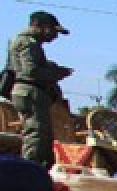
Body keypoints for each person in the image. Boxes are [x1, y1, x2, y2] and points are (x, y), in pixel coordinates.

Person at [7, 11, 72, 168]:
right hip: (30, 91)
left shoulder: (31, 43)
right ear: (40, 26)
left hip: (32, 92)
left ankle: (38, 171)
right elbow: (31, 71)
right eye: (52, 30)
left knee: (43, 137)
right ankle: (29, 171)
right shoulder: (27, 42)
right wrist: (56, 74)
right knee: (36, 135)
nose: (54, 36)